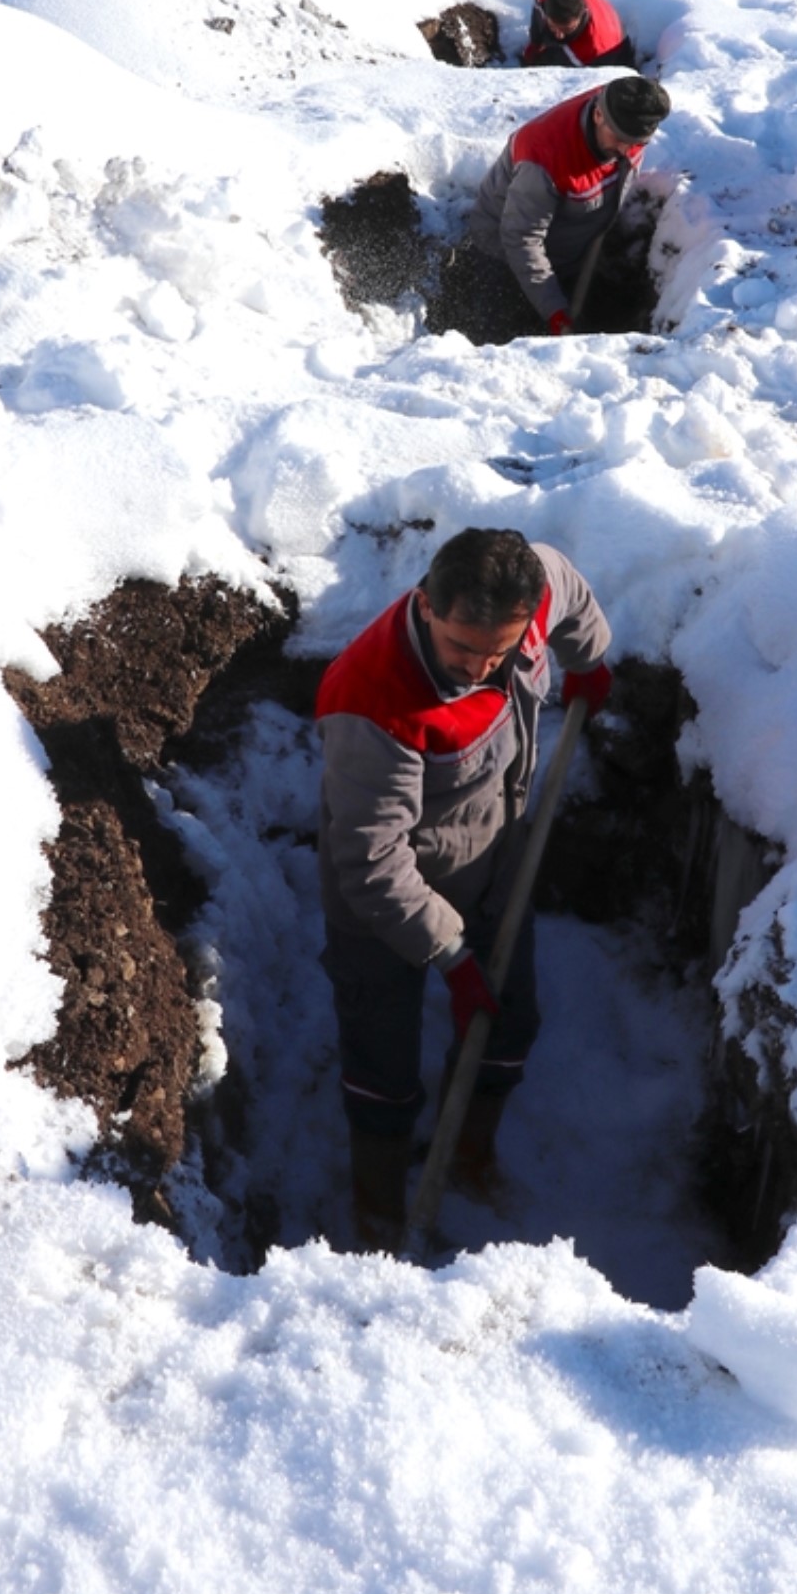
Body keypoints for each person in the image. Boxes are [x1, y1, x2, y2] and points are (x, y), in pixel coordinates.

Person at [316, 526, 613, 1248]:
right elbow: (371, 863)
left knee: (508, 1026)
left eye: (499, 653)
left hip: (493, 864)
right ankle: (380, 1210)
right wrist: (451, 955)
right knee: (382, 1061)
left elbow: (567, 587)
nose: (480, 668)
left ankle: (471, 1157)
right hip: (385, 902)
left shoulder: (529, 595)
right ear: (424, 606)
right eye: (460, 650)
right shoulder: (375, 700)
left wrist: (589, 660)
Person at [460, 72, 671, 338]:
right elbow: (522, 239)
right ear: (598, 115)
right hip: (505, 255)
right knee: (501, 334)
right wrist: (555, 311)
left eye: (637, 144)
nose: (626, 150)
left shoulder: (628, 111)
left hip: (571, 248)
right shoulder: (545, 158)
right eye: (619, 138)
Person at [521, 0, 636, 71]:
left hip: (611, 53)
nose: (559, 35)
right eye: (553, 26)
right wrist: (536, 42)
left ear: (582, 15)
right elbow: (537, 12)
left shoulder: (592, 47)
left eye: (567, 29)